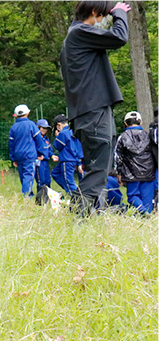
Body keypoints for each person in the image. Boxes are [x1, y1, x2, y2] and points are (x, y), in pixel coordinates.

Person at [60, 0, 131, 215]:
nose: (104, 20)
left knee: (98, 170)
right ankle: (77, 221)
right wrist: (119, 13)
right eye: (104, 15)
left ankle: (86, 218)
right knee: (98, 171)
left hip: (92, 112)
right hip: (93, 113)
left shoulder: (78, 36)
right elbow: (119, 37)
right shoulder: (79, 32)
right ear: (93, 11)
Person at [115, 111, 156, 214]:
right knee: (147, 199)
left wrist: (118, 173)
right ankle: (147, 216)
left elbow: (118, 157)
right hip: (149, 172)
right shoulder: (148, 136)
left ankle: (143, 213)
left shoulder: (122, 137)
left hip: (130, 173)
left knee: (132, 196)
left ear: (125, 123)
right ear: (141, 122)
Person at [8, 104, 44, 197]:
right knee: (29, 175)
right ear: (27, 113)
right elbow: (39, 139)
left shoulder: (14, 127)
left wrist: (13, 158)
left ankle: (26, 192)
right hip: (29, 155)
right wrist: (41, 152)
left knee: (22, 175)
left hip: (18, 155)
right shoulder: (31, 124)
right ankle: (27, 195)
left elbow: (11, 144)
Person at [51, 114, 84, 196]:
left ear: (58, 125)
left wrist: (57, 136)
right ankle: (73, 189)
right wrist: (79, 162)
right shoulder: (73, 131)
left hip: (67, 160)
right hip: (74, 159)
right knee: (55, 173)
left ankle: (76, 197)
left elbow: (57, 146)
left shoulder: (63, 134)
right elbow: (79, 147)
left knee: (69, 181)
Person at [34, 118, 57, 203]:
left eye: (46, 128)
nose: (44, 130)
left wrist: (52, 156)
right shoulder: (35, 139)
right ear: (38, 127)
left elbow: (49, 150)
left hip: (45, 162)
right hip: (39, 163)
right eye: (43, 128)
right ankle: (39, 201)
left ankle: (48, 199)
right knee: (41, 181)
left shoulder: (46, 139)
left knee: (48, 180)